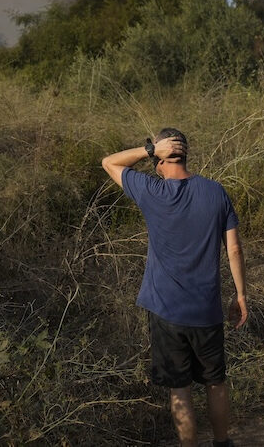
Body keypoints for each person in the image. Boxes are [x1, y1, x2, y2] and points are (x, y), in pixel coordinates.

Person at [102, 128, 248, 447]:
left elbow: (109, 162)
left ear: (162, 157)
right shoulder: (215, 192)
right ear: (186, 155)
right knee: (215, 383)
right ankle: (223, 443)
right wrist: (240, 295)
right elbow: (234, 249)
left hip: (167, 311)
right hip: (206, 311)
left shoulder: (151, 191)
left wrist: (148, 149)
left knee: (180, 390)